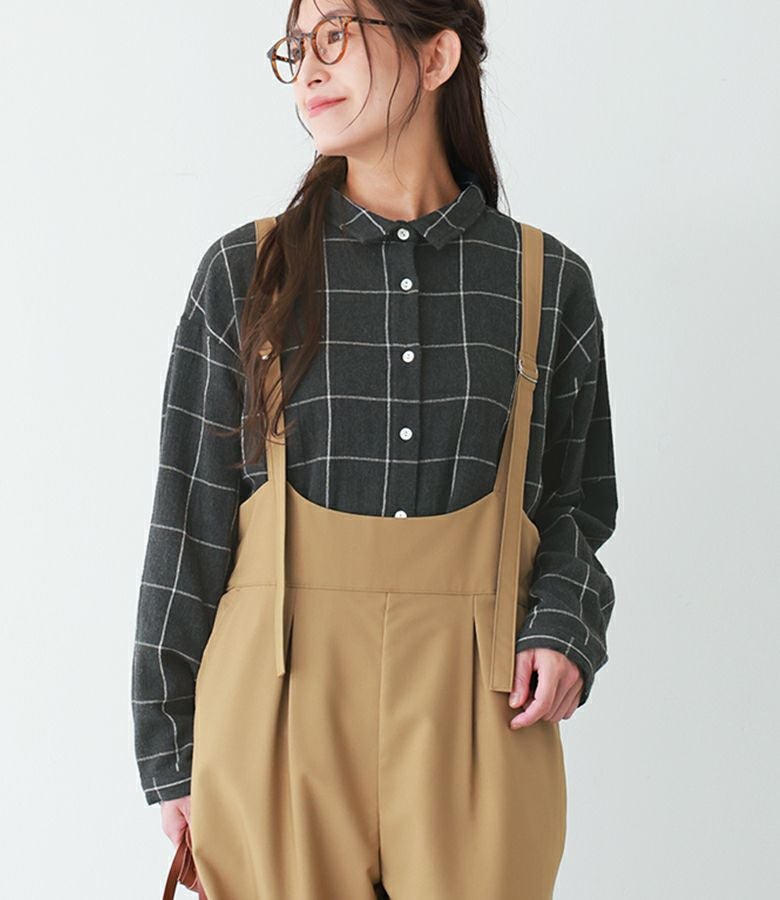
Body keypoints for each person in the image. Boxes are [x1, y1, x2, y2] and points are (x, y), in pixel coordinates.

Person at [131, 1, 619, 897]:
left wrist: (564, 627)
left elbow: (577, 504)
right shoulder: (246, 273)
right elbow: (188, 521)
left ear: (436, 57)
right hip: (274, 705)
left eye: (337, 36)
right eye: (297, 47)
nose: (310, 68)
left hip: (483, 708)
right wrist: (169, 751)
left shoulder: (547, 283)